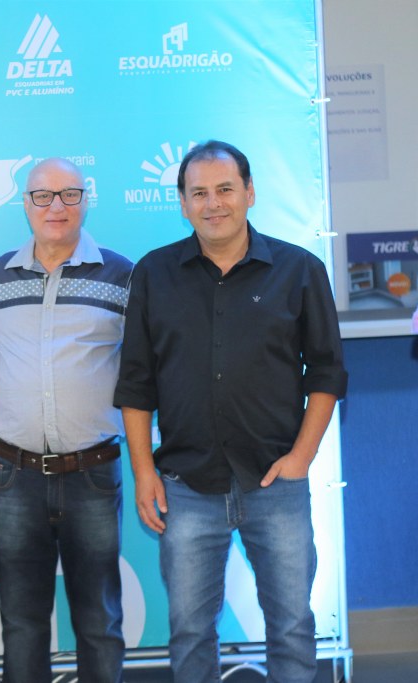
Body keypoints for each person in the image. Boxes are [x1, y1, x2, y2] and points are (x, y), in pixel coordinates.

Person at [114, 140, 348, 682]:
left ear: (249, 193)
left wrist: (301, 458)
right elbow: (136, 382)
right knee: (190, 632)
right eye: (199, 193)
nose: (213, 203)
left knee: (292, 625)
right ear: (182, 203)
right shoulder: (154, 273)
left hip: (276, 481)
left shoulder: (299, 269)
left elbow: (327, 372)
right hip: (186, 487)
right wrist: (144, 472)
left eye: (225, 189)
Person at [0, 157, 131, 682]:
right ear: (25, 204)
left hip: (93, 473)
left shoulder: (123, 275)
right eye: (42, 195)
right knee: (22, 623)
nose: (55, 206)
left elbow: (148, 373)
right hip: (13, 476)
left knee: (100, 620)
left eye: (69, 194)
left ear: (86, 200)